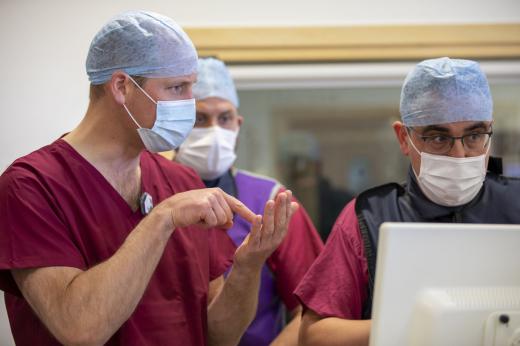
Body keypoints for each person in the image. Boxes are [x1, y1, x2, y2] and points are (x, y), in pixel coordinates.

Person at [0, 11, 299, 346]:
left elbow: (218, 337)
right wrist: (161, 219)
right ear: (121, 87)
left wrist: (247, 267)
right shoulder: (31, 187)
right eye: (176, 88)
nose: (189, 103)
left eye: (191, 87)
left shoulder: (181, 180)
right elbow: (80, 330)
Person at [295, 57, 520, 345]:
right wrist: (415, 326)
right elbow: (313, 335)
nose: (460, 155)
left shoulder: (515, 205)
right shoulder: (369, 217)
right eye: (438, 138)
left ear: (490, 129)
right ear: (404, 138)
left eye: (474, 136)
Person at [174, 57, 324, 346]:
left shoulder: (271, 201)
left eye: (225, 118)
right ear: (177, 124)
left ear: (238, 125)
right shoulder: (148, 193)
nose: (214, 131)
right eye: (200, 119)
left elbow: (310, 309)